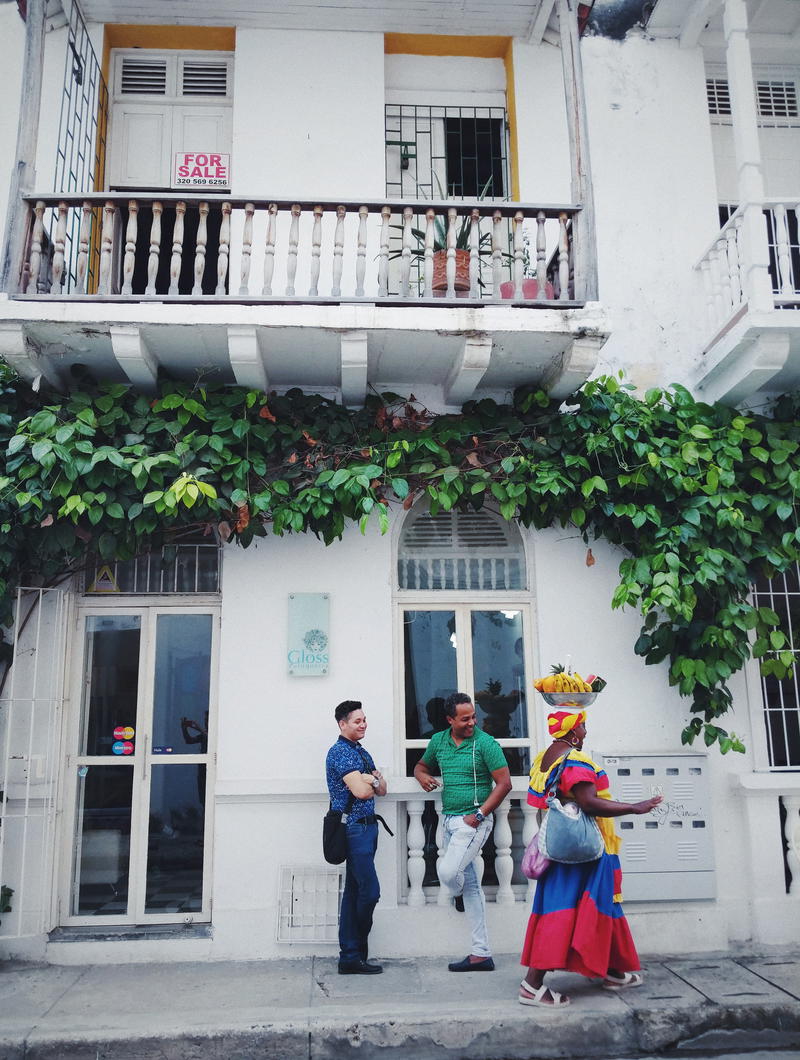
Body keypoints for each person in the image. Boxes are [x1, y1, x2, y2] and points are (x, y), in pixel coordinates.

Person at [518, 709, 663, 1007]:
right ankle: (531, 987)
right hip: (583, 852)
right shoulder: (575, 759)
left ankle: (614, 972)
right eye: (583, 726)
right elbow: (589, 802)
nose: (585, 732)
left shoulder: (546, 757)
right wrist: (635, 807)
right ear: (573, 731)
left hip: (567, 848)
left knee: (598, 905)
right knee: (567, 911)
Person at [414, 691, 512, 972]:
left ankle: (457, 892)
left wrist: (479, 815)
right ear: (449, 720)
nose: (472, 723)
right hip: (448, 820)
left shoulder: (485, 744)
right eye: (465, 719)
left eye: (473, 717)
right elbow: (421, 765)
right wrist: (422, 776)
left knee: (447, 872)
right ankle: (481, 953)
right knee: (470, 886)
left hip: (473, 822)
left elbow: (504, 784)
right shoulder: (439, 741)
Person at [325, 700, 387, 975]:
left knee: (353, 892)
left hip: (368, 827)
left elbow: (381, 788)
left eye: (364, 720)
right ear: (342, 724)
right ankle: (355, 949)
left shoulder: (360, 751)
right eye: (357, 721)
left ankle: (350, 956)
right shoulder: (340, 753)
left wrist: (370, 779)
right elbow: (361, 793)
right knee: (369, 892)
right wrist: (368, 781)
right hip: (353, 828)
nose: (363, 724)